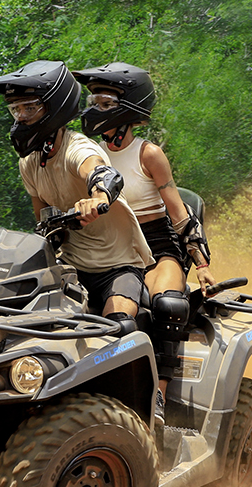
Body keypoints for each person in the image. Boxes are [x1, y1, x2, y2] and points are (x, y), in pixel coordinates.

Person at [72, 62, 217, 399]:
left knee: (168, 305)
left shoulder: (149, 154)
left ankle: (159, 397)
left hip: (156, 244)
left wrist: (202, 265)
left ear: (129, 106)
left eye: (105, 103)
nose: (95, 110)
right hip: (110, 246)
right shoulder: (86, 155)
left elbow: (178, 212)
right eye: (93, 102)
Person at [0, 60, 154, 336]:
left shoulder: (77, 147)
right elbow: (42, 220)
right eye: (16, 109)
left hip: (117, 267)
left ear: (54, 107)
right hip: (70, 268)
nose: (21, 117)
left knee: (118, 328)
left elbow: (100, 171)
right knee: (20, 323)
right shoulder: (29, 163)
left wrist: (96, 198)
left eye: (30, 107)